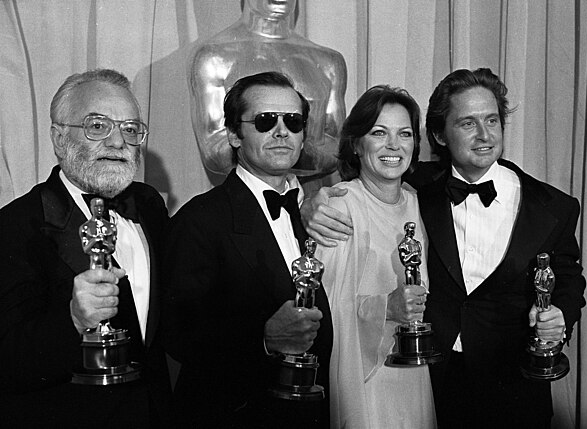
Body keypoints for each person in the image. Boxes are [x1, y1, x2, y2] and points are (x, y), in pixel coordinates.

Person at [302, 68, 587, 428]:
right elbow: (365, 184)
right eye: (468, 123)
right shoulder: (420, 187)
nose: (484, 135)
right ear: (439, 135)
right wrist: (307, 203)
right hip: (431, 384)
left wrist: (561, 317)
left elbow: (568, 280)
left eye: (492, 120)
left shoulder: (553, 205)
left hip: (514, 389)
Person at [0, 69, 172, 428]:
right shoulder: (16, 225)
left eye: (130, 129)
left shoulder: (149, 204)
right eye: (97, 126)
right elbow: (7, 361)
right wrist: (74, 320)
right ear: (59, 137)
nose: (118, 142)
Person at [163, 71, 333, 428]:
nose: (282, 132)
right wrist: (264, 339)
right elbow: (177, 333)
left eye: (293, 121)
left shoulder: (316, 212)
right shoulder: (200, 219)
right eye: (265, 120)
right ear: (233, 135)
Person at [312, 85, 436, 429]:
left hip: (414, 376)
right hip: (364, 381)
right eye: (379, 133)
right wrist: (387, 308)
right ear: (356, 143)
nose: (394, 145)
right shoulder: (340, 205)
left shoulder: (418, 204)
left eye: (404, 134)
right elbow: (329, 310)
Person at [188, 0, 347, 179]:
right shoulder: (214, 57)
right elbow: (215, 152)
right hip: (244, 191)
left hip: (314, 190)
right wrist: (290, 149)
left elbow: (336, 149)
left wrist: (275, 148)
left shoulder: (328, 62)